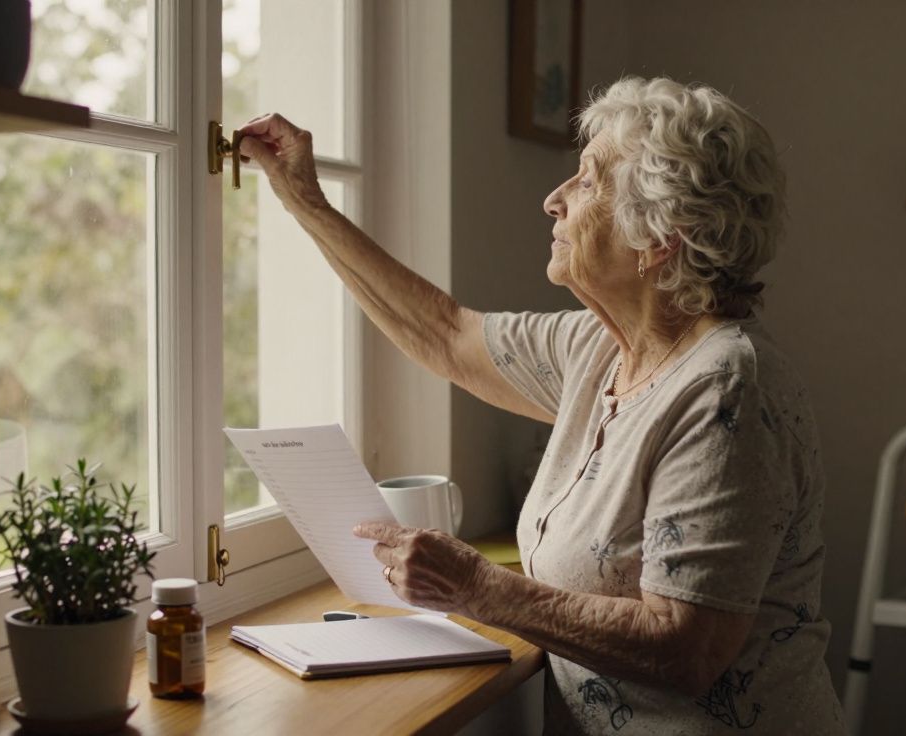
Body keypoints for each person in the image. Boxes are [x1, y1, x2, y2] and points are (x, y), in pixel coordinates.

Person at [236, 76, 843, 735]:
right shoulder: (598, 347)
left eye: (586, 181)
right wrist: (304, 201)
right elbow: (444, 334)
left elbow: (685, 646)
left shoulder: (727, 385)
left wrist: (477, 589)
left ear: (662, 234)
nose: (554, 200)